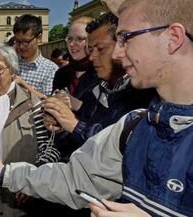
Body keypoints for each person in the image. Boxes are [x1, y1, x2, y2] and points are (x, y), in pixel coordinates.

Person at [0, 0, 193, 216]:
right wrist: (5, 172)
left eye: (126, 37)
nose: (118, 52)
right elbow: (74, 177)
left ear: (173, 37)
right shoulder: (133, 126)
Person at [44, 12, 155, 160]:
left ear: (123, 47)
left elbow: (122, 149)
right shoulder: (96, 90)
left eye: (100, 49)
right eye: (90, 49)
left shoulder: (145, 93)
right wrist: (59, 129)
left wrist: (74, 124)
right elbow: (78, 147)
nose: (92, 57)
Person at [0, 42, 57, 217]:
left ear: (12, 71)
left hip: (18, 203)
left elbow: (50, 149)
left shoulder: (32, 103)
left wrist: (33, 182)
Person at [52, 16, 99, 100]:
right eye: (69, 39)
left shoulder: (102, 73)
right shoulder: (61, 74)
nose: (72, 44)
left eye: (79, 39)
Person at [13, 14, 58, 97]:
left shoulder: (50, 69)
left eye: (26, 42)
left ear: (39, 38)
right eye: (18, 42)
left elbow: (49, 102)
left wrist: (24, 86)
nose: (21, 46)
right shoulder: (11, 63)